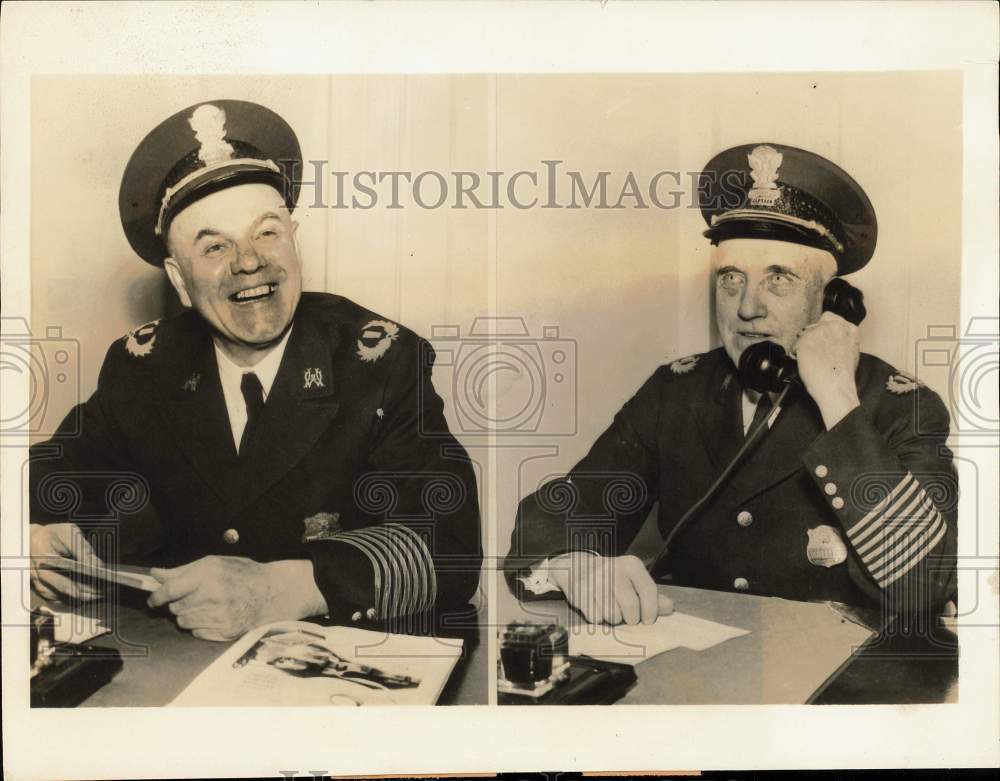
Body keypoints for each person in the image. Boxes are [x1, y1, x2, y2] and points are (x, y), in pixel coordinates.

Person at [29, 100, 482, 641]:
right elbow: (42, 480)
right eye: (215, 245)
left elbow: (450, 544)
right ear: (178, 279)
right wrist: (32, 538)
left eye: (266, 232)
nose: (248, 262)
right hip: (185, 672)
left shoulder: (381, 362)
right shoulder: (143, 369)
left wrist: (287, 590)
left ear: (293, 237)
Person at [504, 143, 956, 625]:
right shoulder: (676, 392)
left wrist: (837, 400)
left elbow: (923, 584)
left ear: (832, 302)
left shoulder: (899, 407)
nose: (745, 307)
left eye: (778, 278)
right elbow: (560, 512)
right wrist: (575, 565)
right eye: (731, 279)